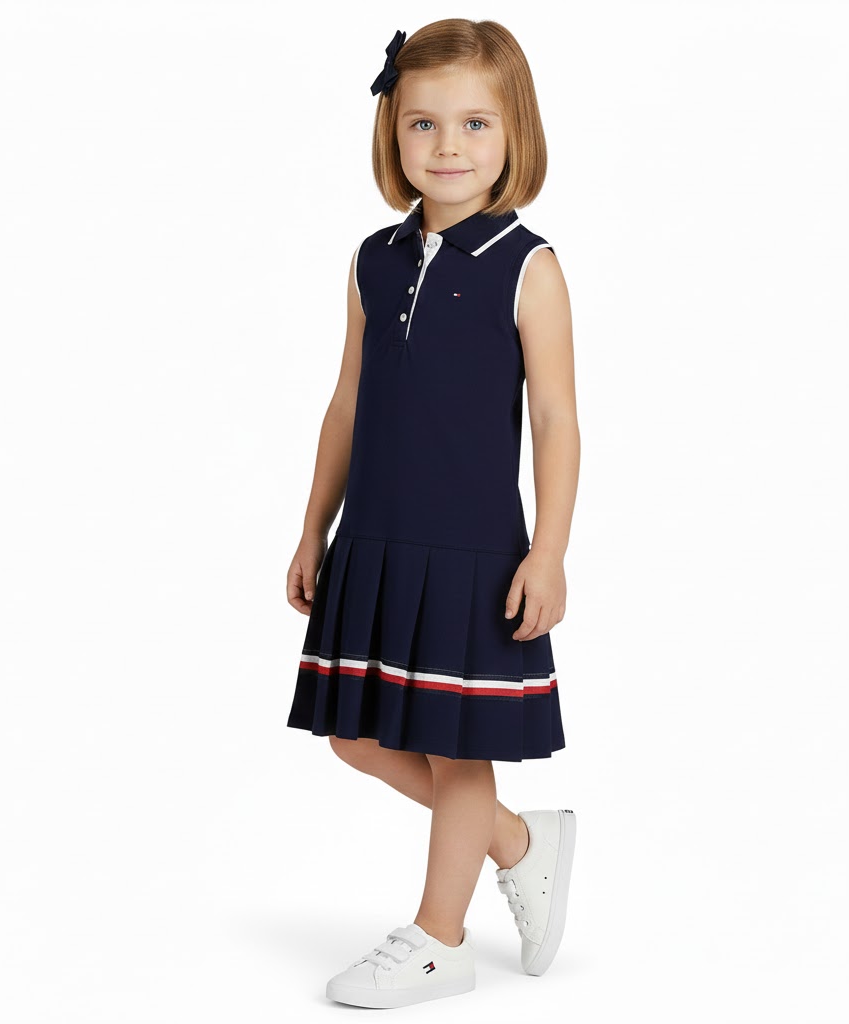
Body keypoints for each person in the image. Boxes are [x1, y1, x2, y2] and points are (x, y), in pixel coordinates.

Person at [285, 18, 580, 1009]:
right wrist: (314, 526)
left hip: (472, 552)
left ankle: (439, 939)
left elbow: (557, 418)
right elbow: (346, 401)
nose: (447, 146)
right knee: (356, 735)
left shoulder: (529, 265)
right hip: (374, 538)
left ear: (513, 132)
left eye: (473, 123)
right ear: (393, 132)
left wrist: (549, 551)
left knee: (459, 749)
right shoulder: (373, 259)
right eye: (423, 123)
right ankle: (518, 840)